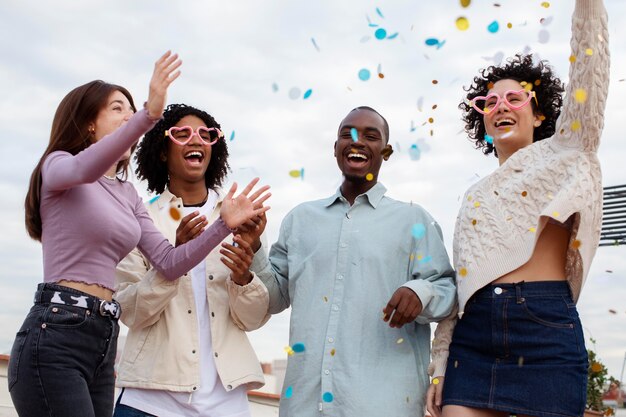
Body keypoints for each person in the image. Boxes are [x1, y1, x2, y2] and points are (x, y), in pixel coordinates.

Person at [8, 52, 270, 417]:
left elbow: (168, 260)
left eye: (131, 110)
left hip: (103, 337)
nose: (128, 116)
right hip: (57, 328)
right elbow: (85, 167)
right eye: (118, 109)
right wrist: (149, 114)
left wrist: (223, 225)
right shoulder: (59, 167)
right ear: (88, 125)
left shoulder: (127, 194)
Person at [426, 1, 609, 416]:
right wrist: (439, 365)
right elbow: (462, 289)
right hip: (473, 340)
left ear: (539, 111)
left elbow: (590, 72)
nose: (501, 107)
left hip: (545, 329)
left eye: (514, 98)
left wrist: (588, 7)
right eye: (489, 103)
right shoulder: (473, 197)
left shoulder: (567, 151)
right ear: (484, 124)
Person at [239, 106, 456, 417]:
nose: (357, 141)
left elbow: (448, 292)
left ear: (386, 150)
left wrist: (421, 292)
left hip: (384, 406)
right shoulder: (299, 219)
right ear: (336, 149)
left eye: (371, 136)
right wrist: (255, 246)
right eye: (347, 134)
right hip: (304, 405)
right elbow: (274, 299)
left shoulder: (413, 219)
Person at [113, 103, 270, 417]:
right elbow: (129, 311)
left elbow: (252, 320)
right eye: (181, 134)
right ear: (161, 151)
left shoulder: (242, 217)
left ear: (214, 149)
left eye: (205, 135)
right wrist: (173, 261)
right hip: (149, 401)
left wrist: (243, 279)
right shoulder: (139, 218)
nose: (195, 140)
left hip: (226, 404)